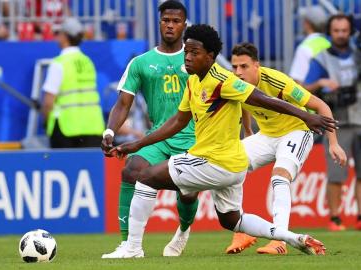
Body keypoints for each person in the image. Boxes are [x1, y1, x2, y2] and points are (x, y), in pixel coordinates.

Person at [104, 24, 338, 258]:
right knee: (232, 220)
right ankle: (292, 238)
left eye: (194, 53)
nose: (187, 58)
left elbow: (262, 99)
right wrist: (137, 144)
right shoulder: (193, 81)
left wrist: (305, 115)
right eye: (186, 52)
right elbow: (177, 122)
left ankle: (133, 248)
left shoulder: (222, 81)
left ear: (211, 56)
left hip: (214, 161)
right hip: (232, 164)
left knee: (145, 178)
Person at [224, 42, 347, 255]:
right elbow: (243, 102)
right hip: (267, 135)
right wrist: (247, 131)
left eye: (243, 66)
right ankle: (244, 228)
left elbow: (321, 106)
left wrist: (333, 143)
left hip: (296, 131)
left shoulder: (278, 81)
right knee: (226, 164)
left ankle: (279, 239)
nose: (238, 72)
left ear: (257, 66)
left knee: (279, 178)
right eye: (235, 67)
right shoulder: (235, 82)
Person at [101, 0, 199, 258]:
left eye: (176, 21)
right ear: (159, 23)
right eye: (166, 20)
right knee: (131, 169)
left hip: (194, 137)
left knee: (187, 193)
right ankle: (128, 246)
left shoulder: (197, 60)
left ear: (184, 25)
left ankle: (184, 229)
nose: (170, 25)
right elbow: (123, 104)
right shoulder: (141, 63)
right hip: (158, 137)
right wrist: (109, 132)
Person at [304, 14, 361, 231]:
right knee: (336, 174)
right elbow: (303, 88)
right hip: (336, 123)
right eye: (336, 31)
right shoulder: (321, 58)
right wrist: (321, 82)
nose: (341, 35)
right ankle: (335, 218)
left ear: (350, 31)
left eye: (344, 31)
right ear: (330, 32)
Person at [41, 17, 105, 148]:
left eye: (59, 33)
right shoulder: (88, 62)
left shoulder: (59, 63)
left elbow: (48, 103)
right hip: (92, 126)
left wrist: (46, 122)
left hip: (66, 129)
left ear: (65, 36)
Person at [289, 5, 330, 84]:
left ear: (307, 23)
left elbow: (297, 81)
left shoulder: (304, 47)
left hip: (312, 94)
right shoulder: (328, 42)